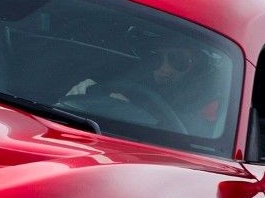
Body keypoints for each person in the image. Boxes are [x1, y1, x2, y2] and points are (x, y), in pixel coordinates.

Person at [63, 39, 225, 136]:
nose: (165, 67)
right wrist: (85, 93)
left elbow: (196, 134)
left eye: (178, 60)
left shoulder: (212, 100)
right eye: (157, 58)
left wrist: (140, 109)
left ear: (196, 65)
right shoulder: (135, 78)